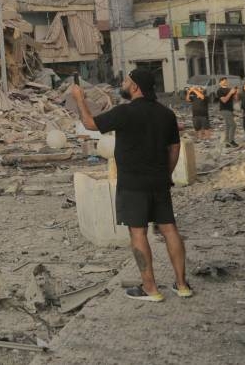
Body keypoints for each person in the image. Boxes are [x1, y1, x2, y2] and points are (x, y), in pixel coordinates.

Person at [71, 69, 192, 302]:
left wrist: (79, 98)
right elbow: (175, 148)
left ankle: (150, 288)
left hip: (133, 184)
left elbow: (88, 123)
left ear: (135, 87)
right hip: (159, 182)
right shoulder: (166, 114)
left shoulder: (125, 112)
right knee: (169, 229)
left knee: (138, 233)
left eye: (126, 81)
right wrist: (165, 173)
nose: (123, 84)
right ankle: (182, 284)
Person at [216, 78, 238, 150]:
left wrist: (235, 92)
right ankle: (231, 141)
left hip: (230, 109)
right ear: (220, 83)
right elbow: (224, 100)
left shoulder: (229, 89)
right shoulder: (219, 90)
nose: (225, 81)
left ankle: (226, 142)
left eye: (226, 80)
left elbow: (236, 99)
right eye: (223, 81)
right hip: (224, 109)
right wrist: (230, 93)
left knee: (228, 126)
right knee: (233, 125)